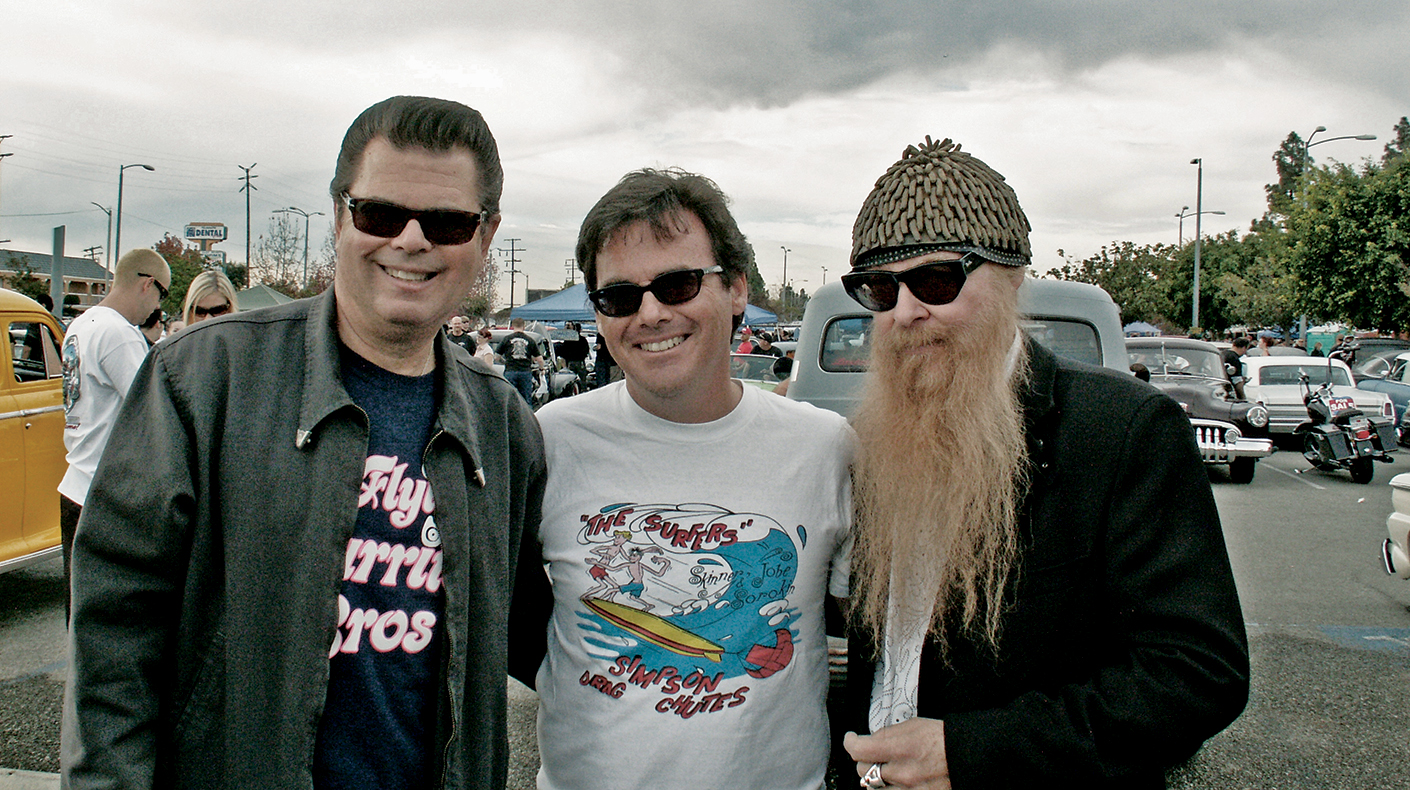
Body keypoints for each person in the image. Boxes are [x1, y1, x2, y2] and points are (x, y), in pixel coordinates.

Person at [61, 95, 550, 790]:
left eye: (445, 222)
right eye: (380, 214)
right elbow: (115, 638)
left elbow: (551, 637)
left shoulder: (503, 427)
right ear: (338, 214)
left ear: (486, 233)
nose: (411, 241)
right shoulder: (204, 379)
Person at [837, 137, 1249, 788]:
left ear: (1011, 281)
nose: (907, 312)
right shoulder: (873, 440)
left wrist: (973, 752)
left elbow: (1197, 673)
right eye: (881, 290)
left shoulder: (1123, 432)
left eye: (936, 281)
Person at [532, 168, 854, 790]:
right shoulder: (550, 440)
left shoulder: (825, 449)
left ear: (736, 288)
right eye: (619, 297)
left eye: (677, 285)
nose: (650, 313)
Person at [57, 248, 171, 616]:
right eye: (161, 296)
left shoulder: (81, 325)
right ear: (147, 284)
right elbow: (155, 405)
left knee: (80, 610)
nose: (156, 308)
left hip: (76, 480)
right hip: (107, 490)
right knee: (109, 615)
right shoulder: (119, 333)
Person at [496, 317, 543, 404]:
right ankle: (526, 416)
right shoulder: (530, 340)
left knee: (509, 398)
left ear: (513, 326)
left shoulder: (506, 339)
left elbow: (496, 357)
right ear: (524, 326)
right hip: (525, 372)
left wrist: (505, 362)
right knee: (526, 399)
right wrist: (541, 369)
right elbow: (539, 359)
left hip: (510, 371)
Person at [556, 320, 591, 387]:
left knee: (570, 379)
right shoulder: (582, 340)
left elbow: (564, 350)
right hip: (579, 361)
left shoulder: (569, 340)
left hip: (571, 361)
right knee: (582, 379)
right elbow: (586, 350)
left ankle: (574, 390)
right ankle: (582, 390)